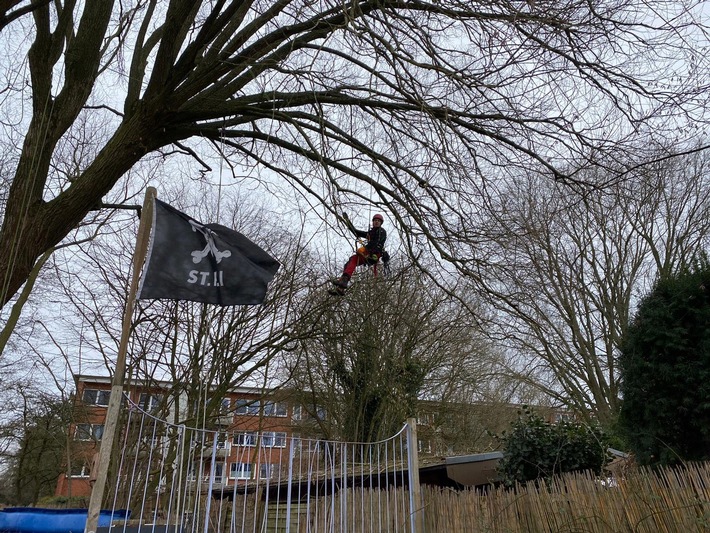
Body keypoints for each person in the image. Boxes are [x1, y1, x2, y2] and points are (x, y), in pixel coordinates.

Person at [330, 213, 387, 292]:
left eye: (378, 221)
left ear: (381, 223)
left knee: (354, 258)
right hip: (368, 254)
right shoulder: (370, 233)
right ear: (373, 222)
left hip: (374, 254)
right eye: (375, 220)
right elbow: (356, 232)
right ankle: (341, 286)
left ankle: (343, 282)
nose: (376, 222)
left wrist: (365, 249)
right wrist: (347, 221)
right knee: (351, 261)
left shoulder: (381, 231)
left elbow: (377, 243)